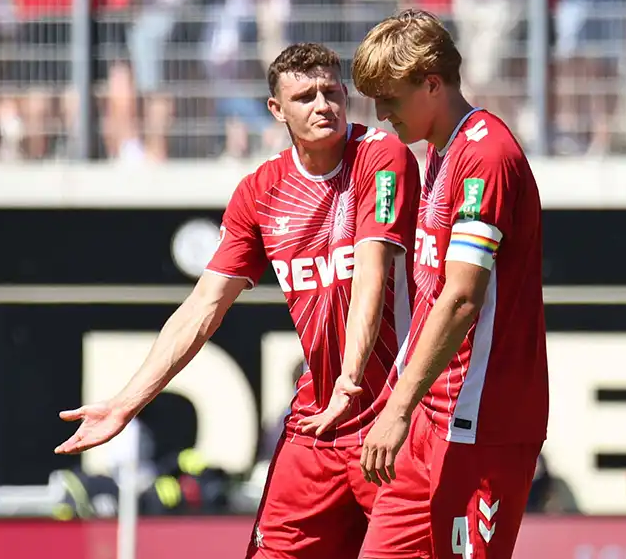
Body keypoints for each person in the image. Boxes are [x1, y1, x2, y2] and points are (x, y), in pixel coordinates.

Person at [54, 42, 421, 559]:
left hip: (392, 416)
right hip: (318, 421)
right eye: (305, 96)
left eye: (332, 92)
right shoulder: (261, 191)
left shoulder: (381, 158)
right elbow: (203, 308)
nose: (323, 105)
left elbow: (372, 276)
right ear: (277, 110)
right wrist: (125, 403)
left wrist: (351, 378)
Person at [348, 8, 548, 559]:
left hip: (481, 422)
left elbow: (461, 298)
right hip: (426, 417)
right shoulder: (440, 149)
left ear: (432, 83)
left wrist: (395, 408)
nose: (381, 113)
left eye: (389, 97)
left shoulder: (487, 156)